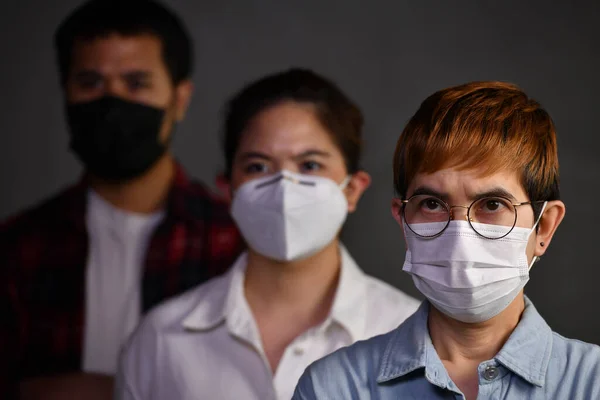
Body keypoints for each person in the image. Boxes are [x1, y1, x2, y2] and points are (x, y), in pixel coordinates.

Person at [115, 68, 421, 400]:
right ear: (228, 189)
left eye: (310, 165)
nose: (283, 188)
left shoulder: (413, 335)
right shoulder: (160, 339)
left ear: (352, 190)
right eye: (258, 167)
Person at [292, 81, 600, 399]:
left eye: (492, 205)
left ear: (544, 227)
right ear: (403, 220)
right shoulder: (332, 388)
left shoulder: (591, 383)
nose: (459, 237)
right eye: (432, 204)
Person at [0, 0, 244, 398]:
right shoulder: (17, 248)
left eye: (136, 83)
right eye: (90, 82)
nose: (111, 104)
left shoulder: (234, 241)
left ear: (179, 99)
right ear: (66, 94)